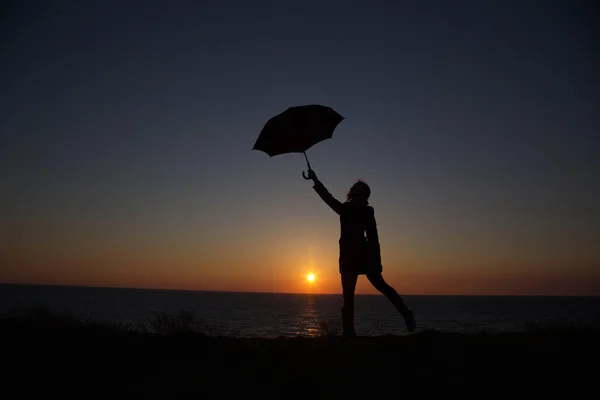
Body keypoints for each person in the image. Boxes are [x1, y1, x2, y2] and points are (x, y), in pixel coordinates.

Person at [306, 169, 416, 338]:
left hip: (361, 258)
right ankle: (349, 331)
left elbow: (374, 238)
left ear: (360, 194)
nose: (354, 189)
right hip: (353, 259)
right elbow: (328, 198)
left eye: (357, 188)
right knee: (351, 296)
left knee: (376, 288)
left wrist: (377, 262)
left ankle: (405, 314)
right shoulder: (349, 209)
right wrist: (315, 180)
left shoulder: (359, 211)